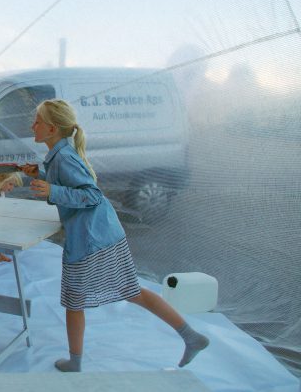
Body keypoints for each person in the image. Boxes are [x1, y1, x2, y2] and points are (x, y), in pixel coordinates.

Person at [21, 99, 208, 372]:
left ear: (51, 129)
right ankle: (191, 336)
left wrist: (53, 191)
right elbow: (68, 183)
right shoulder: (58, 156)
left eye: (37, 121)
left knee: (77, 301)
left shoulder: (64, 158)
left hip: (92, 240)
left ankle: (75, 363)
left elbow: (91, 195)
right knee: (129, 292)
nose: (32, 126)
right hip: (103, 234)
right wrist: (39, 175)